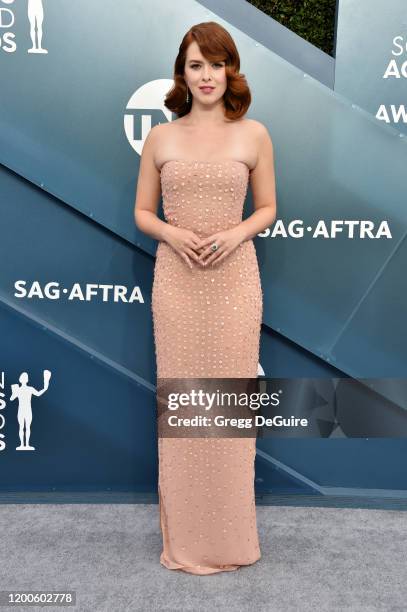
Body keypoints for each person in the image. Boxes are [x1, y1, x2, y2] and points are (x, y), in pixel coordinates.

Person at [134, 21, 276, 574]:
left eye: (216, 64)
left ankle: (232, 541)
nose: (207, 75)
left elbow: (267, 208)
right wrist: (172, 232)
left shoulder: (255, 135)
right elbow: (143, 213)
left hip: (235, 283)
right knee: (184, 408)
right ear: (183, 74)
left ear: (230, 70)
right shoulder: (162, 138)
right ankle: (187, 539)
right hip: (177, 284)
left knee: (228, 413)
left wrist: (235, 233)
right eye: (196, 65)